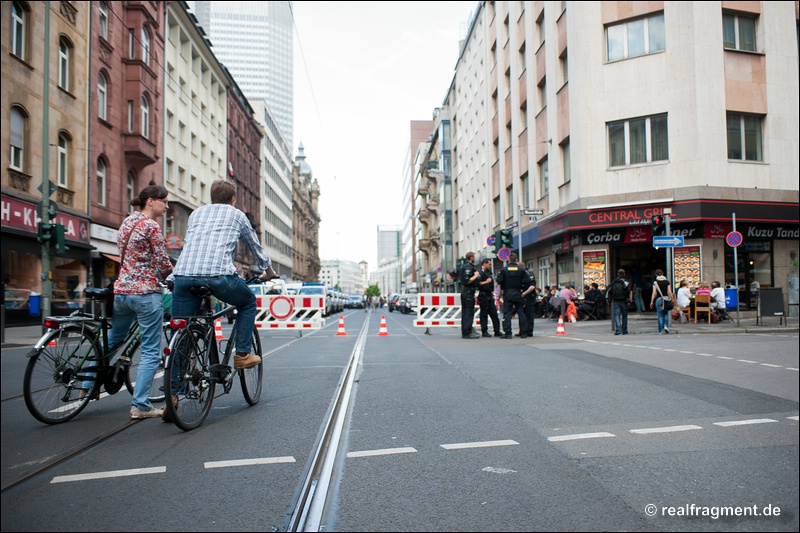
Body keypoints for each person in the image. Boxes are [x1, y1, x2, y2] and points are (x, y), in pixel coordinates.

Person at [170, 180, 274, 373]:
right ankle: (243, 355)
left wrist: (172, 278)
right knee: (248, 302)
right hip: (218, 275)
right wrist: (268, 270)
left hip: (182, 276)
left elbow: (190, 245)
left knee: (182, 331)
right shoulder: (237, 215)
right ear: (232, 199)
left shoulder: (195, 214)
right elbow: (254, 246)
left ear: (212, 197)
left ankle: (173, 394)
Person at [107, 185, 174, 419]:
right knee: (150, 353)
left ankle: (87, 384)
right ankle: (141, 405)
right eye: (164, 202)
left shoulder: (127, 222)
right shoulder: (152, 226)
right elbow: (163, 263)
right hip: (145, 294)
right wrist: (173, 277)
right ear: (151, 202)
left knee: (114, 339)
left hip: (121, 292)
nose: (166, 206)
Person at [495, 252, 530, 339]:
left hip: (508, 293)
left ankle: (508, 333)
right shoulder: (521, 269)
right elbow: (528, 281)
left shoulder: (504, 269)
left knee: (507, 313)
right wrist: (522, 287)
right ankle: (523, 333)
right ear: (516, 259)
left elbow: (498, 281)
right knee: (521, 312)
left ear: (508, 259)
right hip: (518, 292)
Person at [457, 251, 481, 339]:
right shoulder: (468, 267)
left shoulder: (467, 266)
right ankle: (467, 332)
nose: (474, 258)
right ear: (471, 258)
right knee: (468, 312)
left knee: (466, 312)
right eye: (474, 257)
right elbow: (467, 281)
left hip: (468, 292)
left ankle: (466, 331)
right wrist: (476, 275)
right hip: (468, 292)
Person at [477, 258, 502, 337]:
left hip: (489, 294)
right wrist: (486, 282)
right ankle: (484, 331)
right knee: (484, 314)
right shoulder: (480, 272)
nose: (490, 266)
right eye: (489, 264)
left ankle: (497, 330)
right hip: (483, 294)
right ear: (484, 263)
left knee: (494, 313)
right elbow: (478, 283)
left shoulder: (489, 272)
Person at [607, 268, 632, 335]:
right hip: (624, 300)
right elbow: (629, 291)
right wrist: (630, 300)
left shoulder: (614, 282)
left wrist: (609, 301)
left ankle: (618, 330)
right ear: (624, 274)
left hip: (616, 300)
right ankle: (624, 330)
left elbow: (610, 292)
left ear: (617, 274)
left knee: (617, 315)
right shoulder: (625, 282)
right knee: (624, 316)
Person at [649, 268, 674, 334]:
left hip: (659, 299)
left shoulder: (655, 283)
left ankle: (660, 331)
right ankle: (665, 326)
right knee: (666, 314)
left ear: (656, 275)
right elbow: (669, 292)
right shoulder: (667, 282)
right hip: (666, 299)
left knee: (660, 315)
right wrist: (672, 299)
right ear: (663, 274)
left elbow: (654, 293)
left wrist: (652, 301)